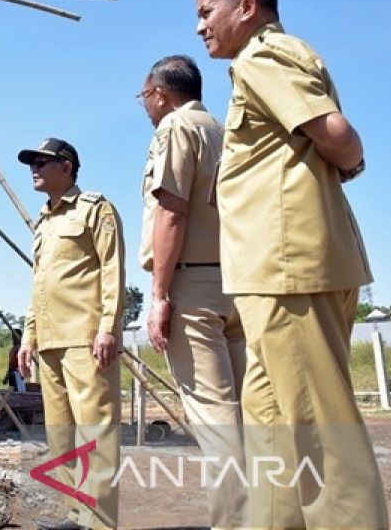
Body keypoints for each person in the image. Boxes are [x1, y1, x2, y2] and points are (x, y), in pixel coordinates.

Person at [196, 0, 388, 528]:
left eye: (207, 12)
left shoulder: (263, 56)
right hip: (272, 270)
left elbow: (337, 135)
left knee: (319, 434)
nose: (200, 26)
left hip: (288, 268)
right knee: (274, 424)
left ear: (247, 7)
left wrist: (350, 164)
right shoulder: (257, 62)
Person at [137, 54, 245, 528]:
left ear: (159, 93)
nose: (144, 105)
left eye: (144, 96)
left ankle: (238, 522)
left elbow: (172, 211)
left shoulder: (176, 129)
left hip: (193, 285)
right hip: (236, 281)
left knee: (216, 421)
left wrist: (160, 294)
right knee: (246, 415)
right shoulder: (223, 130)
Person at [16, 138, 123, 530]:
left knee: (96, 430)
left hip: (85, 337)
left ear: (67, 167)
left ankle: (100, 521)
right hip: (49, 342)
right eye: (33, 163)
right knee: (61, 437)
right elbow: (38, 284)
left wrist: (109, 328)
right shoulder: (43, 222)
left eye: (43, 162)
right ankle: (76, 514)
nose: (35, 169)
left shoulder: (95, 209)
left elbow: (112, 271)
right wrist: (29, 337)